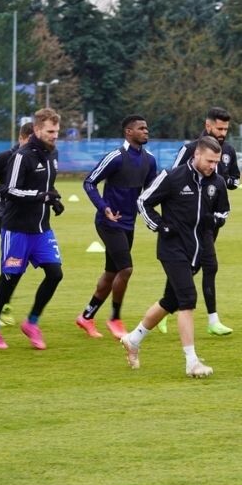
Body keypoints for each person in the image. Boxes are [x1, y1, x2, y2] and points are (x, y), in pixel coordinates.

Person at [117, 136, 228, 378]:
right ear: (196, 155)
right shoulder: (172, 177)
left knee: (171, 301)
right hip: (172, 249)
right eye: (209, 161)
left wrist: (215, 220)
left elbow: (223, 211)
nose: (213, 166)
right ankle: (191, 362)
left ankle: (133, 339)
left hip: (197, 251)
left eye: (216, 162)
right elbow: (143, 202)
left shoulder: (217, 182)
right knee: (188, 298)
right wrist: (160, 226)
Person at [0, 108, 65, 351]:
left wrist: (54, 200)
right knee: (11, 278)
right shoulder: (22, 156)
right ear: (37, 129)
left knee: (55, 274)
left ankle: (32, 323)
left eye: (57, 131)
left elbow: (47, 186)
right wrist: (40, 196)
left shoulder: (53, 154)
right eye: (50, 131)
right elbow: (9, 190)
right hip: (17, 229)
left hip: (42, 230)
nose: (55, 135)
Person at [75, 114, 158, 339]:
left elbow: (152, 192)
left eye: (146, 128)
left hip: (129, 224)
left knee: (111, 272)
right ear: (128, 132)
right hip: (108, 223)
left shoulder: (149, 160)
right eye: (141, 128)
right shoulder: (116, 157)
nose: (146, 131)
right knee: (126, 269)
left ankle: (86, 316)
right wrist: (104, 208)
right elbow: (89, 182)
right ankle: (114, 318)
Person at [171, 107, 241, 336]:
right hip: (188, 223)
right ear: (208, 125)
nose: (223, 133)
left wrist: (224, 181)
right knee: (197, 266)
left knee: (202, 267)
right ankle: (172, 309)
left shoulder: (228, 151)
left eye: (226, 129)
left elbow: (235, 179)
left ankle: (205, 319)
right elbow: (173, 179)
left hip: (211, 221)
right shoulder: (190, 149)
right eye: (219, 128)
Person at [0, 120, 31, 327]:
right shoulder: (5, 157)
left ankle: (0, 304)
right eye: (29, 140)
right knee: (14, 259)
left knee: (20, 260)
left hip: (25, 216)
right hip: (5, 214)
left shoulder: (35, 157)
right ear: (21, 138)